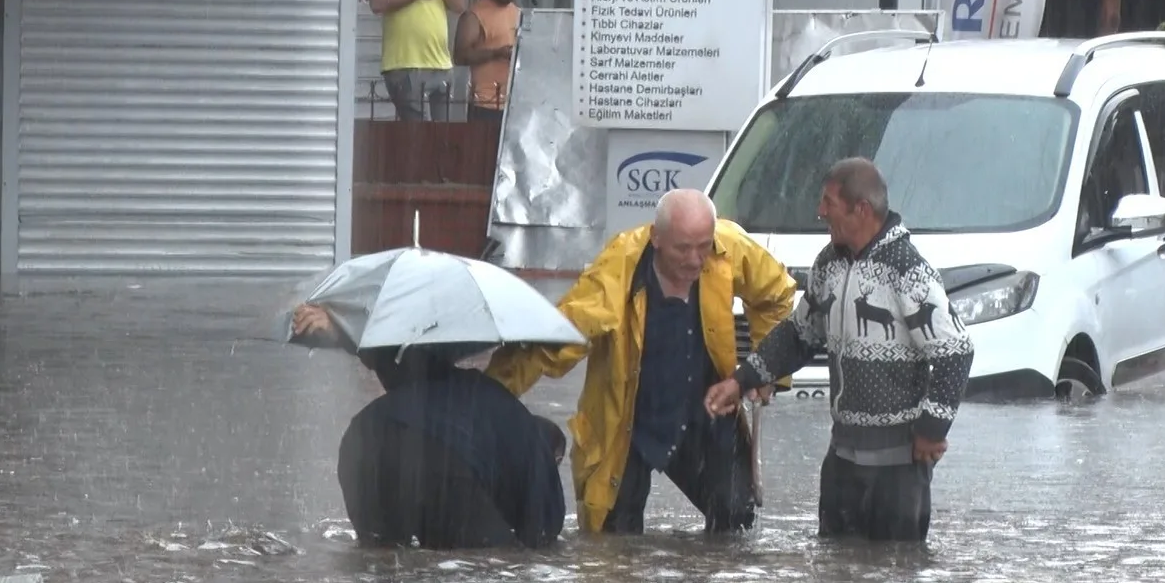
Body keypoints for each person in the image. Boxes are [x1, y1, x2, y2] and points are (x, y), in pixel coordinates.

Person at [484, 189, 798, 536]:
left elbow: (778, 295)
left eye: (703, 246)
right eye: (683, 248)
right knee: (613, 547)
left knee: (738, 526)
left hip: (705, 416)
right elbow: (553, 342)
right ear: (656, 238)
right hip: (629, 425)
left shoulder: (729, 247)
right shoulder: (617, 270)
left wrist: (763, 370)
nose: (695, 259)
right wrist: (487, 397)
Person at [704, 158, 975, 542]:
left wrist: (931, 431)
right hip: (842, 463)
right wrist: (744, 379)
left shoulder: (908, 270)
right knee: (835, 580)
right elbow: (799, 335)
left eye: (828, 202)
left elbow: (956, 352)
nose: (820, 211)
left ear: (860, 209)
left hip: (897, 470)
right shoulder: (828, 265)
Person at [291, 304, 567, 550]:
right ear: (554, 454)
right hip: (443, 465)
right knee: (484, 570)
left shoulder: (453, 391)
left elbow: (401, 360)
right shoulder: (531, 446)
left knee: (380, 562)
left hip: (364, 439)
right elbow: (545, 532)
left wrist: (345, 329)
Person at [369, 0, 466, 122]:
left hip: (441, 64)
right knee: (419, 136)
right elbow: (377, 2)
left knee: (444, 137)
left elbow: (459, 5)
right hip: (406, 64)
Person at [453, 0, 520, 126]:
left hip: (513, 103)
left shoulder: (517, 12)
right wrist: (497, 53)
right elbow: (460, 56)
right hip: (485, 103)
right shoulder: (474, 14)